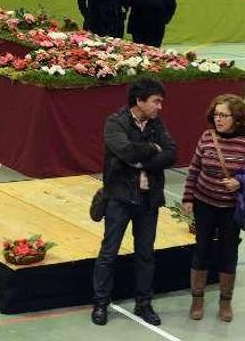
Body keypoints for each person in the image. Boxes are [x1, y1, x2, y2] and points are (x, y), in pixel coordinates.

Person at [91, 78, 177, 327]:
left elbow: (171, 153)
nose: (160, 107)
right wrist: (151, 148)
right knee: (109, 252)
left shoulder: (156, 123)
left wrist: (142, 161)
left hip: (148, 200)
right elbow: (125, 151)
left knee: (145, 254)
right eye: (156, 101)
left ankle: (144, 303)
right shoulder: (115, 122)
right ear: (139, 101)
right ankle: (100, 303)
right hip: (120, 198)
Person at [181, 94, 245, 322]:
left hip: (231, 209)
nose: (218, 119)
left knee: (228, 252)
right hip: (204, 203)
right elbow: (194, 169)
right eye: (216, 115)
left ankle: (225, 301)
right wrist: (188, 198)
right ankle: (197, 299)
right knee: (202, 250)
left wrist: (240, 182)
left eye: (224, 115)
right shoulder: (207, 137)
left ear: (238, 118)